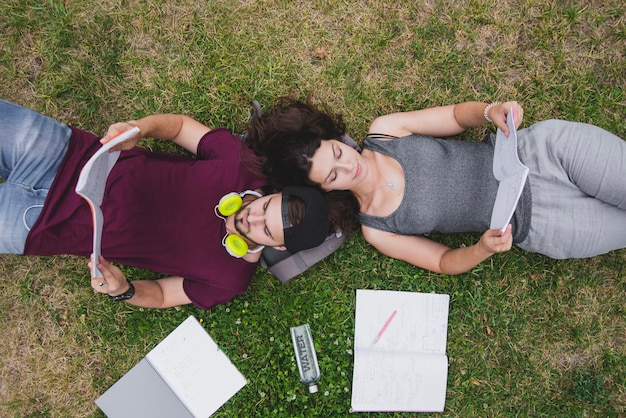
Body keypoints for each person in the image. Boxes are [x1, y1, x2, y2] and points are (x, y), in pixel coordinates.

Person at [0, 98, 332, 310]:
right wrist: (139, 129)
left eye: (266, 229)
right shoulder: (242, 164)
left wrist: (124, 289)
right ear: (274, 192)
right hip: (63, 152)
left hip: (39, 224)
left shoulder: (230, 278)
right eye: (265, 206)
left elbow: (161, 295)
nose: (251, 218)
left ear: (278, 246)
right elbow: (181, 128)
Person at [245, 97, 626, 275]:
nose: (349, 165)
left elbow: (455, 117)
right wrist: (481, 249)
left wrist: (488, 112)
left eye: (336, 153)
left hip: (541, 153)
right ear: (325, 190)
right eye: (333, 175)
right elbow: (443, 262)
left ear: (331, 138)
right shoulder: (377, 229)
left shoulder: (385, 131)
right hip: (542, 224)